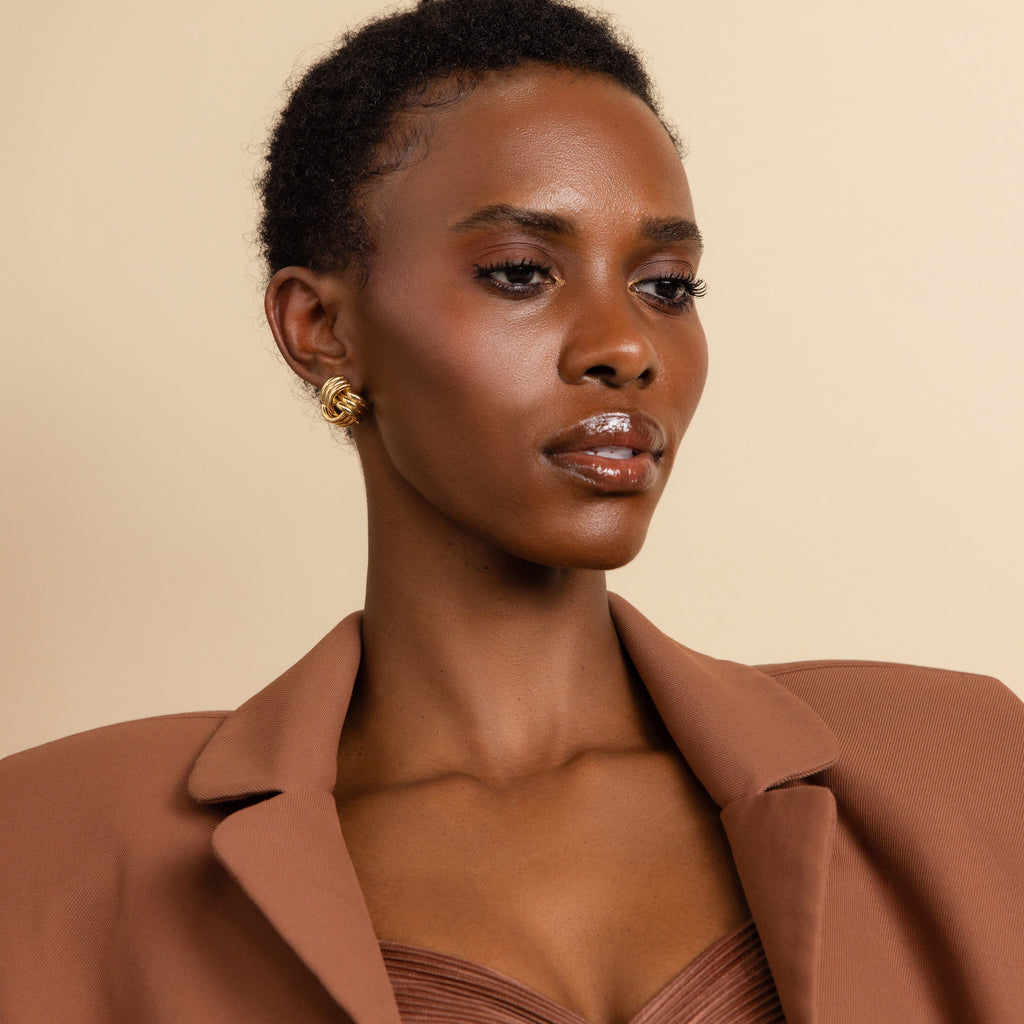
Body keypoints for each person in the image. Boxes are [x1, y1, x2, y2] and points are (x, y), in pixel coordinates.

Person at [1, 1, 1021, 1022]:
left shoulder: (967, 770)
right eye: (521, 273)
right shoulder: (57, 859)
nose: (625, 346)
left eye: (667, 286)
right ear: (320, 327)